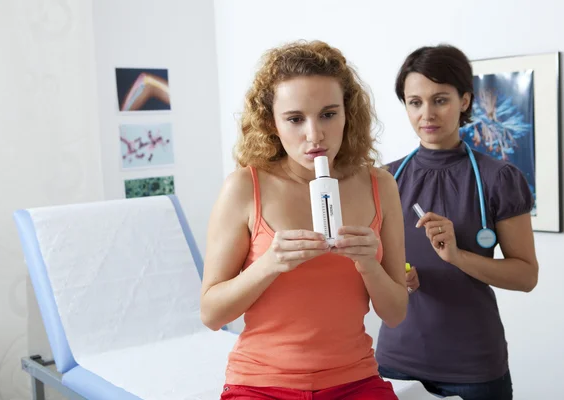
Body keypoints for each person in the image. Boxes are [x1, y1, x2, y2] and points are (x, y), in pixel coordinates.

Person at [200, 40, 408, 399]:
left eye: (329, 114)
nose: (315, 136)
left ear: (348, 113)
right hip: (261, 384)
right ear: (271, 123)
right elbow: (212, 314)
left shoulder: (380, 186)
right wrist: (270, 263)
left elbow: (395, 313)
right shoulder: (244, 188)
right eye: (295, 119)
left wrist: (368, 264)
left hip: (355, 379)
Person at [375, 44, 539, 400]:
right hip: (394, 362)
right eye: (414, 102)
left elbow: (526, 276)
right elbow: (366, 267)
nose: (427, 114)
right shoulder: (384, 180)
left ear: (464, 100)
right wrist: (390, 277)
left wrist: (458, 256)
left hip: (472, 369)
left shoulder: (499, 178)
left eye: (440, 99)